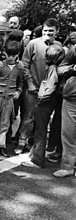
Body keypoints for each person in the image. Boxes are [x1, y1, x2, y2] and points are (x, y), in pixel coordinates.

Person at [16, 18, 62, 154]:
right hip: (33, 88)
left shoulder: (59, 45)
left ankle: (35, 145)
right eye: (45, 30)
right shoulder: (33, 44)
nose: (48, 33)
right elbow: (24, 65)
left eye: (51, 31)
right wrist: (29, 83)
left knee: (43, 119)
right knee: (28, 117)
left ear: (57, 31)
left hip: (49, 91)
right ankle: (21, 142)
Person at [22, 45, 65, 168]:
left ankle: (37, 160)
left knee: (40, 131)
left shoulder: (52, 68)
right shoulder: (57, 68)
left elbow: (51, 86)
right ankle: (35, 154)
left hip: (45, 102)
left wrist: (41, 98)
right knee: (41, 129)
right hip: (53, 100)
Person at [54, 47, 76, 177]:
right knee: (68, 133)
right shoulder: (74, 49)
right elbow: (60, 68)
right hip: (71, 98)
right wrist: (73, 69)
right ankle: (68, 166)